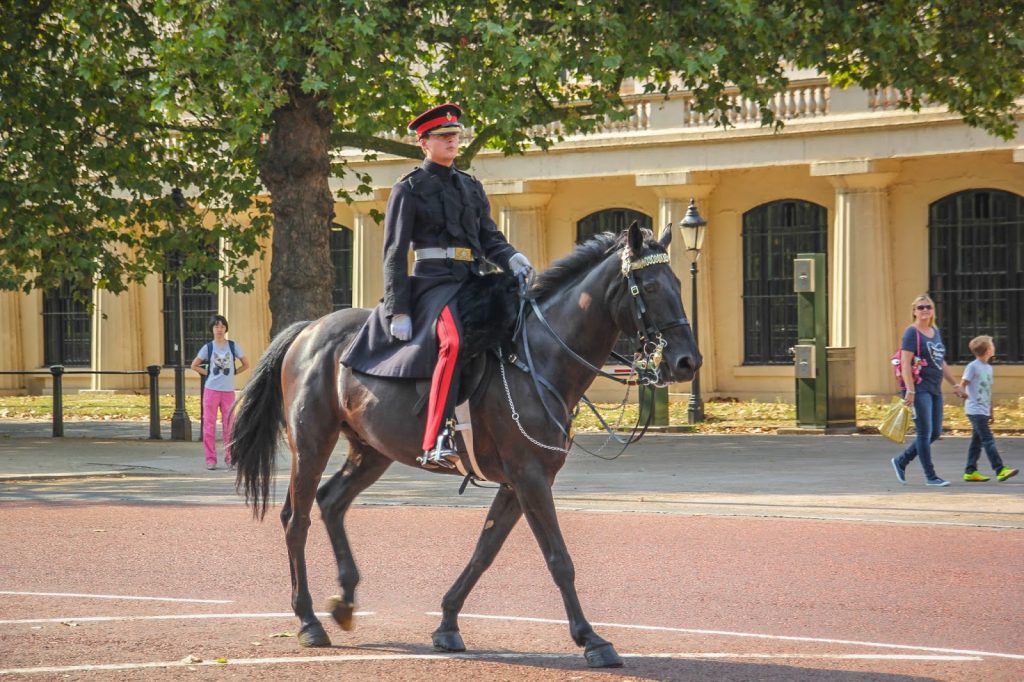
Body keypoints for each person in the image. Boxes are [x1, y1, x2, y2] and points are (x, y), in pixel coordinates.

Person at [340, 103, 533, 469]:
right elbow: (395, 252)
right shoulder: (409, 188)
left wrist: (512, 258)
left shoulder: (471, 187)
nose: (451, 140)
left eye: (455, 135)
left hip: (471, 280)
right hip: (432, 284)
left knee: (520, 323)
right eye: (443, 136)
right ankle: (438, 436)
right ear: (423, 143)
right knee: (454, 342)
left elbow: (490, 238)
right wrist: (399, 307)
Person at [890, 294, 965, 487]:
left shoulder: (935, 331)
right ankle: (930, 477)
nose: (925, 310)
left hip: (934, 388)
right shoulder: (911, 333)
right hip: (919, 388)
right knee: (924, 433)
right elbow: (906, 363)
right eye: (921, 307)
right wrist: (910, 390)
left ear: (932, 311)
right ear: (914, 311)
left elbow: (940, 362)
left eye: (928, 307)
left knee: (935, 432)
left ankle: (901, 460)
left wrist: (954, 384)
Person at [190, 314, 250, 470]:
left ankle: (230, 458)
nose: (219, 329)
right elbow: (194, 365)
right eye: (216, 326)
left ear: (226, 329)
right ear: (212, 328)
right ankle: (211, 459)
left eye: (222, 326)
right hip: (211, 391)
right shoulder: (208, 348)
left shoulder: (232, 346)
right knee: (209, 426)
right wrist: (207, 373)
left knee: (229, 426)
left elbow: (246, 363)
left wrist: (234, 372)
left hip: (228, 392)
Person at [958, 335, 1018, 483]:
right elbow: (963, 383)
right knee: (988, 440)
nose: (994, 347)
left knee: (976, 442)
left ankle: (970, 471)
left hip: (983, 410)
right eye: (992, 345)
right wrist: (962, 393)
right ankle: (1000, 469)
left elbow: (987, 390)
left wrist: (991, 410)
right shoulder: (973, 366)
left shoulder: (988, 368)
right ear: (987, 350)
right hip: (974, 409)